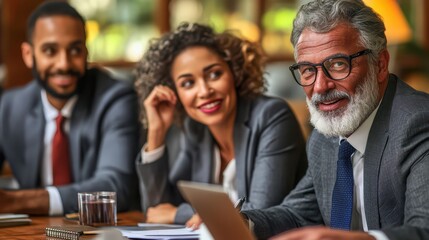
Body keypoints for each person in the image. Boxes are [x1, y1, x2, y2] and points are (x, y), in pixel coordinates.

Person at [241, 0, 429, 239]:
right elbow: (299, 214)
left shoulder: (419, 124)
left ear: (380, 65)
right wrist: (245, 223)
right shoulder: (325, 135)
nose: (320, 86)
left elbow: (424, 230)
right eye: (308, 70)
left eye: (338, 64)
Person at [135, 22, 307, 225]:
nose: (205, 91)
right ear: (175, 93)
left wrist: (179, 214)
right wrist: (156, 133)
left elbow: (260, 213)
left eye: (214, 74)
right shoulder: (196, 129)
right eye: (188, 83)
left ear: (234, 73)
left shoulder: (272, 117)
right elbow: (156, 210)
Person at [0, 1, 140, 215]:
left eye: (75, 50)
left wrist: (15, 202)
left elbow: (114, 188)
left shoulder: (115, 99)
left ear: (86, 52)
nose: (64, 64)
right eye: (50, 50)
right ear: (29, 55)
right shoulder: (10, 106)